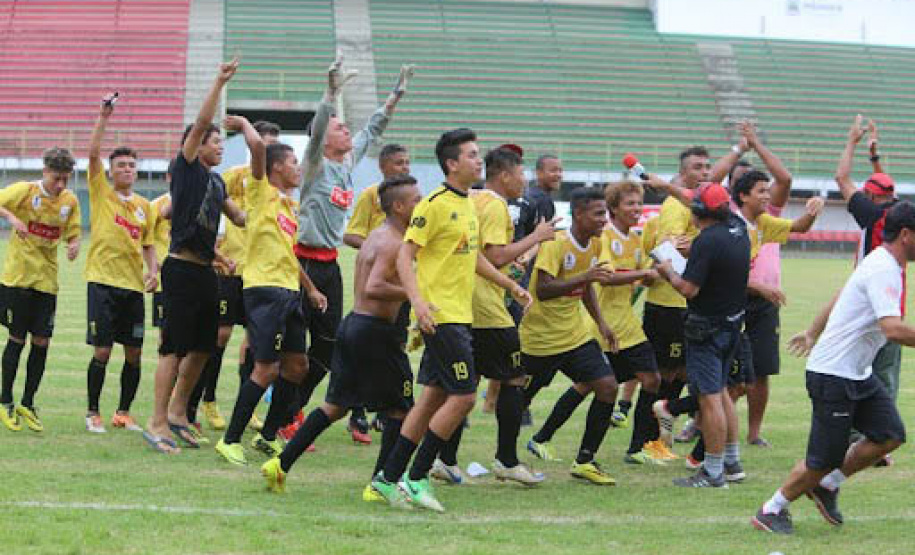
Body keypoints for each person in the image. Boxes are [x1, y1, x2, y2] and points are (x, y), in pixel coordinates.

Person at [369, 128, 531, 512]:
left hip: (461, 315)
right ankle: (418, 476)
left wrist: (509, 283)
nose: (479, 161)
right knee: (464, 396)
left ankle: (387, 479)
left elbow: (472, 257)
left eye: (478, 154)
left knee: (430, 401)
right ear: (451, 164)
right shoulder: (435, 204)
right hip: (442, 316)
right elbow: (404, 257)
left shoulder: (467, 206)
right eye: (472, 155)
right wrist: (419, 303)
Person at [752, 202, 915, 535]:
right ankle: (771, 509)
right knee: (822, 458)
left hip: (857, 373)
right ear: (907, 235)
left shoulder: (883, 262)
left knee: (890, 435)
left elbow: (842, 294)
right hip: (834, 376)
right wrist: (814, 334)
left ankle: (827, 485)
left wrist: (812, 331)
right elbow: (894, 329)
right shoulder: (883, 267)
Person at [260, 174, 421, 495]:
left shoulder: (378, 235)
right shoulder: (393, 242)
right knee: (401, 410)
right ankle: (381, 484)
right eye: (417, 200)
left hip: (355, 327)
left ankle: (280, 463)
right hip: (375, 333)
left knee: (336, 406)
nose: (423, 204)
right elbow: (375, 286)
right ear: (400, 207)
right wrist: (417, 292)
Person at [291, 54, 413, 446]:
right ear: (325, 136)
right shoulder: (314, 165)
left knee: (325, 352)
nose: (348, 133)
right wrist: (330, 94)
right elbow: (316, 134)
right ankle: (285, 414)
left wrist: (395, 95)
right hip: (303, 262)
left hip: (330, 266)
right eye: (341, 128)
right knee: (291, 352)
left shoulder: (346, 166)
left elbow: (373, 130)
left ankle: (292, 409)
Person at [430, 147, 555, 485]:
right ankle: (507, 460)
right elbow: (494, 254)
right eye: (521, 175)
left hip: (455, 304)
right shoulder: (498, 205)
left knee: (456, 387)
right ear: (505, 176)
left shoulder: (469, 198)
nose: (524, 182)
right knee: (513, 378)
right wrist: (537, 237)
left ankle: (445, 460)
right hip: (486, 309)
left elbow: (476, 254)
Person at [144, 59, 246, 452]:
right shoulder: (186, 169)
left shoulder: (218, 182)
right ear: (197, 144)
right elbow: (201, 123)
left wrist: (224, 253)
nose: (219, 145)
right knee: (173, 347)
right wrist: (218, 84)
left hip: (206, 273)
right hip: (181, 271)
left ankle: (178, 413)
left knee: (204, 348)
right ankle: (156, 423)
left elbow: (236, 217)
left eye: (222, 141)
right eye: (215, 140)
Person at [215, 136, 326, 466]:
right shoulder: (261, 192)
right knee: (266, 368)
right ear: (276, 167)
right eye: (293, 162)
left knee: (297, 366)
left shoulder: (290, 206)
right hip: (264, 291)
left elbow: (288, 253)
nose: (299, 168)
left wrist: (310, 289)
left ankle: (267, 436)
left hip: (289, 291)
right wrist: (247, 126)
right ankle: (230, 439)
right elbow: (258, 150)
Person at [521, 187, 621, 485]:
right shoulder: (555, 244)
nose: (604, 219)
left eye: (605, 213)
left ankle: (585, 461)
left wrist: (601, 324)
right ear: (578, 214)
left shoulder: (594, 244)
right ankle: (506, 459)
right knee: (518, 400)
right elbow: (544, 289)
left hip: (575, 335)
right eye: (598, 213)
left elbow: (587, 288)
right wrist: (584, 278)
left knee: (607, 386)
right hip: (540, 339)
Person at [187, 120, 282, 434]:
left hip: (263, 274)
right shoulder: (231, 177)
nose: (265, 151)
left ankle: (248, 406)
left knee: (255, 342)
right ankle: (208, 399)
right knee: (221, 335)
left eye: (272, 147)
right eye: (262, 144)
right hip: (231, 268)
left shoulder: (280, 188)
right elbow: (216, 212)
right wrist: (217, 246)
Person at [654, 183, 750, 488]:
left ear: (698, 213)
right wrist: (664, 185)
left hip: (705, 328)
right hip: (732, 324)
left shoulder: (707, 241)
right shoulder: (737, 227)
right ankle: (732, 463)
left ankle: (713, 471)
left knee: (709, 400)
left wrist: (667, 269)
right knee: (721, 394)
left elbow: (688, 289)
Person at [707, 121, 795, 447]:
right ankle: (699, 422)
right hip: (731, 296)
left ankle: (754, 432)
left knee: (761, 369)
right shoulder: (724, 214)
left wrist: (756, 144)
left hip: (765, 300)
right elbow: (709, 181)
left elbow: (784, 179)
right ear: (736, 190)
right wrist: (737, 151)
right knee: (716, 368)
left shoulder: (767, 211)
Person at [84, 93, 159, 434]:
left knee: (134, 353)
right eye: (121, 166)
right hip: (102, 283)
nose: (127, 169)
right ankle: (92, 412)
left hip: (132, 287)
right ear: (111, 171)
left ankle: (123, 412)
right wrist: (104, 116)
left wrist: (154, 270)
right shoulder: (102, 192)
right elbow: (93, 153)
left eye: (131, 165)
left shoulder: (145, 206)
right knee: (102, 351)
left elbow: (148, 243)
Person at [0, 148, 81, 433]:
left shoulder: (69, 201)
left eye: (66, 179)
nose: (61, 185)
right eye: (57, 178)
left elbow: (73, 230)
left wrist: (74, 244)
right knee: (17, 339)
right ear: (45, 171)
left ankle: (28, 402)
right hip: (19, 279)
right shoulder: (24, 191)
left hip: (47, 282)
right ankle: (5, 401)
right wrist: (12, 218)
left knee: (42, 342)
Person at [639, 146, 709, 460]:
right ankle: (645, 442)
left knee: (679, 375)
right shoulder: (674, 206)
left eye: (707, 167)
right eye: (697, 167)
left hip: (685, 303)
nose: (704, 172)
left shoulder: (695, 205)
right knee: (661, 377)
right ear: (682, 174)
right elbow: (669, 251)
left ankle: (659, 440)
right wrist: (697, 246)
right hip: (667, 304)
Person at [593, 181, 666, 465]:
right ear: (613, 209)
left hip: (628, 323)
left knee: (651, 379)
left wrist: (647, 275)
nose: (636, 209)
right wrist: (643, 273)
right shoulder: (605, 237)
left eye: (639, 203)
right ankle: (544, 437)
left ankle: (637, 448)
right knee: (595, 386)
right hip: (604, 324)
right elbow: (607, 276)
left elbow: (638, 276)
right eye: (629, 204)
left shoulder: (636, 240)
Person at [341, 142, 411, 438]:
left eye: (407, 162)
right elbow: (351, 234)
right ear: (383, 166)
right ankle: (358, 412)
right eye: (398, 163)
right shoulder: (373, 197)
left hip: (400, 282)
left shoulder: (410, 201)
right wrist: (378, 249)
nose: (404, 167)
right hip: (381, 287)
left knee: (395, 346)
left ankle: (385, 412)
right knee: (371, 352)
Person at [834, 115, 902, 415]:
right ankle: (880, 439)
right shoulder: (900, 216)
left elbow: (842, 178)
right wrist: (874, 157)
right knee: (886, 376)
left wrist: (852, 141)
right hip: (893, 305)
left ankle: (854, 432)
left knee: (854, 370)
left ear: (871, 196)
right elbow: (885, 188)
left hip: (863, 305)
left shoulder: (869, 213)